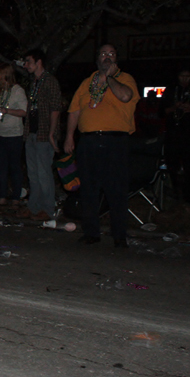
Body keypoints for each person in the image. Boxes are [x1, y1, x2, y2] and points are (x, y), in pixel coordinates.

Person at [64, 44, 139, 248]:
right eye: (103, 53)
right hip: (88, 141)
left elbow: (125, 96)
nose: (107, 57)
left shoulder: (125, 79)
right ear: (96, 58)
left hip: (115, 141)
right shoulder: (87, 82)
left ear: (116, 59)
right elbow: (74, 111)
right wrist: (69, 136)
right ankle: (91, 232)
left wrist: (109, 77)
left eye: (112, 54)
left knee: (116, 189)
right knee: (89, 189)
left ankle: (119, 235)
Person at [20, 49, 62, 220]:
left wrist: (52, 133)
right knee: (33, 173)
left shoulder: (50, 81)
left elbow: (55, 108)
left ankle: (48, 208)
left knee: (44, 173)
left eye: (29, 61)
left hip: (44, 133)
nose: (25, 65)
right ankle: (34, 207)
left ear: (39, 62)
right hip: (32, 133)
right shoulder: (34, 83)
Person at [162, 70, 190, 204]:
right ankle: (172, 192)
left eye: (188, 76)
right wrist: (174, 107)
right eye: (182, 76)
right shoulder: (170, 90)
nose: (185, 79)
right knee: (171, 166)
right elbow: (161, 112)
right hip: (173, 134)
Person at [0, 63, 27, 209]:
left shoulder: (17, 91)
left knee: (15, 167)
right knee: (1, 166)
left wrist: (7, 111)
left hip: (14, 135)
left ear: (5, 75)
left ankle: (16, 197)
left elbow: (24, 111)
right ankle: (2, 196)